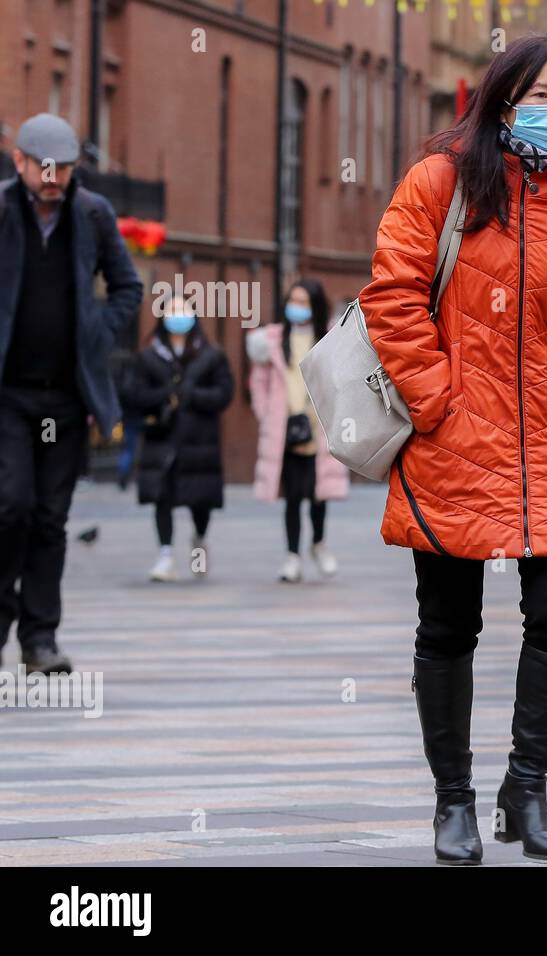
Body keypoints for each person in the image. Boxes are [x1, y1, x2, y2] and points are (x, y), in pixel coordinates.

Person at [359, 35, 547, 864]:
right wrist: (436, 406)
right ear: (501, 103)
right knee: (449, 622)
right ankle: (451, 800)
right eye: (543, 96)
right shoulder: (441, 183)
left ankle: (525, 790)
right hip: (453, 442)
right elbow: (390, 299)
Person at [0, 113, 143, 674]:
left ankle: (39, 641)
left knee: (50, 518)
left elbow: (127, 286)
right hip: (9, 395)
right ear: (21, 162)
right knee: (10, 507)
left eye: (64, 167)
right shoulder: (3, 209)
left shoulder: (92, 213)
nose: (54, 177)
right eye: (44, 166)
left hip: (65, 397)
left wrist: (96, 333)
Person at [120, 294, 233, 582]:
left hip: (200, 441)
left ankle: (199, 540)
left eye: (182, 311)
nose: (177, 317)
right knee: (162, 498)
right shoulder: (147, 356)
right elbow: (133, 393)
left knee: (201, 501)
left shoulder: (210, 354)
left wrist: (192, 396)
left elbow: (224, 393)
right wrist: (164, 398)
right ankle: (165, 555)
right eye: (172, 311)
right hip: (163, 438)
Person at [246, 279, 349, 583]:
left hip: (320, 428)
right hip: (285, 429)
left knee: (320, 493)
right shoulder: (272, 341)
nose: (297, 308)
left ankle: (318, 543)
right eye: (294, 301)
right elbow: (258, 384)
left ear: (315, 306)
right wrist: (267, 415)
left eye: (304, 302)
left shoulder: (331, 338)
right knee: (292, 496)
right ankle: (292, 556)